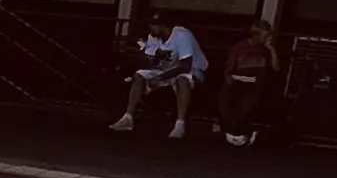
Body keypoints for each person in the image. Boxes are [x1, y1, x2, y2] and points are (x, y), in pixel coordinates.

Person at [114, 18, 209, 137]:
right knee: (139, 75)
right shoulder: (153, 37)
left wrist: (161, 78)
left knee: (183, 80)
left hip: (193, 70)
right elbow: (148, 62)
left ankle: (180, 124)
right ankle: (128, 118)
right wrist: (151, 59)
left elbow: (185, 65)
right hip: (165, 70)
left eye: (154, 24)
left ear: (164, 26)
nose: (151, 27)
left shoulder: (182, 35)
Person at [215, 19, 281, 149]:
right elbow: (230, 66)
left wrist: (271, 49)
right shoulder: (241, 46)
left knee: (248, 102)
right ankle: (230, 128)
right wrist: (229, 76)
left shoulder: (267, 50)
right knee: (227, 98)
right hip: (239, 77)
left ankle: (240, 131)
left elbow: (277, 68)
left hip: (256, 80)